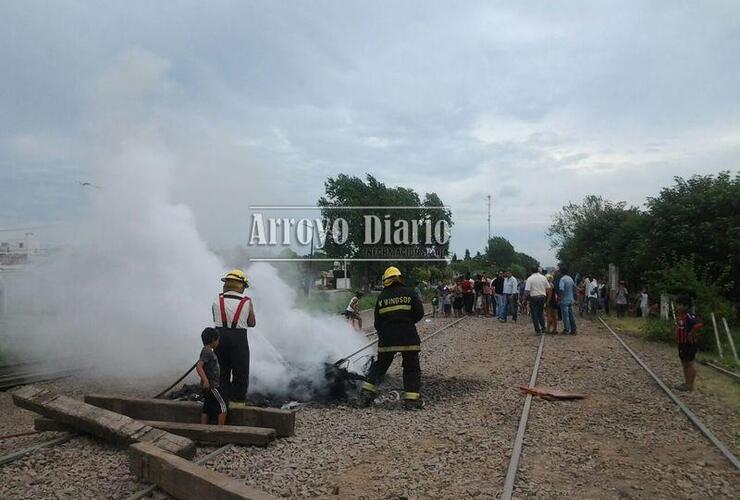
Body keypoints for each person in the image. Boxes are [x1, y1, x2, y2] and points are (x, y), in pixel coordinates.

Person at [360, 266, 426, 410]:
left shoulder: (382, 297)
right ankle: (411, 401)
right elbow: (420, 313)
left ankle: (366, 394)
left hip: (387, 339)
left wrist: (385, 331)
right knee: (411, 368)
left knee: (380, 366)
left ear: (386, 280)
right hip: (408, 337)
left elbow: (377, 322)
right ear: (399, 278)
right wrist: (407, 322)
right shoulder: (410, 293)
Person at [212, 269, 256, 405]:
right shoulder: (247, 302)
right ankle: (237, 404)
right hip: (239, 340)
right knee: (240, 373)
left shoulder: (216, 301)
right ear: (241, 285)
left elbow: (215, 319)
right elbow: (252, 323)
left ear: (226, 284)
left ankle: (220, 404)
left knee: (221, 372)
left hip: (220, 340)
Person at [196, 327, 227, 425]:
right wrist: (205, 380)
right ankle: (220, 432)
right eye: (218, 340)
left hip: (209, 386)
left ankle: (203, 429)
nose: (218, 342)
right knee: (223, 407)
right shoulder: (207, 351)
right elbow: (199, 366)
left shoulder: (207, 350)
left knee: (207, 408)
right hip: (212, 386)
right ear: (213, 340)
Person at [674, 295, 703, 391]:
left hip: (688, 344)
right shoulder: (679, 315)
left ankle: (690, 385)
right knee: (684, 363)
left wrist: (691, 334)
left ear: (686, 306)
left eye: (680, 305)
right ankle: (686, 383)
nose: (678, 307)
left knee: (689, 363)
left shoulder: (689, 315)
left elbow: (698, 324)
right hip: (681, 343)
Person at [524, 267, 549, 335]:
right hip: (542, 296)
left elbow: (527, 291)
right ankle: (543, 327)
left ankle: (537, 330)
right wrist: (544, 293)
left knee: (534, 314)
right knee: (540, 313)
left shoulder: (530, 279)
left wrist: (525, 299)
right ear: (538, 270)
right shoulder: (543, 277)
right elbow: (548, 287)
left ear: (531, 271)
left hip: (534, 297)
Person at [558, 267, 577, 334]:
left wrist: (560, 298)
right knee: (571, 315)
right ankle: (573, 329)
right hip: (570, 299)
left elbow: (561, 289)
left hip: (564, 300)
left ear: (561, 272)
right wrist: (574, 298)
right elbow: (575, 288)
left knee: (565, 316)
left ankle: (566, 329)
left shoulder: (562, 279)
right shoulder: (570, 278)